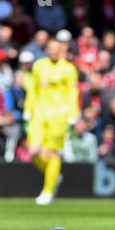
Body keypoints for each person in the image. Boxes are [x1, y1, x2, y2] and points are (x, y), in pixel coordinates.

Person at [23, 39, 79, 205]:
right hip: (39, 115)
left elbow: (72, 92)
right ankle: (54, 175)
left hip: (59, 117)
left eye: (58, 48)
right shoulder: (39, 66)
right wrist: (28, 108)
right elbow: (33, 89)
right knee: (33, 151)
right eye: (52, 48)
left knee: (51, 154)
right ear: (47, 49)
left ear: (61, 50)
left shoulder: (68, 69)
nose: (55, 51)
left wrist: (72, 114)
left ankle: (47, 190)